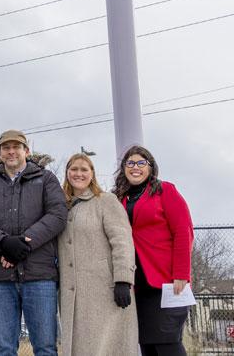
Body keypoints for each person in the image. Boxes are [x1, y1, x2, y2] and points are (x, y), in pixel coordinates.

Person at [0, 130, 67, 356]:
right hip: (0, 278)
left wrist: (23, 245)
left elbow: (57, 215)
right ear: (0, 153)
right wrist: (4, 243)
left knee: (45, 346)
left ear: (26, 150)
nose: (11, 151)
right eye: (6, 147)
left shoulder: (46, 179)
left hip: (40, 276)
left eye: (16, 147)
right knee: (3, 347)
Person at [113, 146, 194, 356]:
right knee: (147, 345)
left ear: (151, 167)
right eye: (130, 163)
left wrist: (181, 274)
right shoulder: (118, 198)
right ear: (123, 168)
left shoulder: (165, 191)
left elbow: (183, 232)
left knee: (167, 343)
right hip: (136, 284)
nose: (135, 167)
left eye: (141, 163)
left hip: (165, 281)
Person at [57, 152, 140, 356]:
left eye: (84, 169)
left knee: (105, 347)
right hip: (72, 293)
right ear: (67, 173)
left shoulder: (105, 201)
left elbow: (122, 241)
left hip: (105, 292)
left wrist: (123, 280)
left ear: (92, 173)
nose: (79, 173)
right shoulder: (61, 206)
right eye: (74, 169)